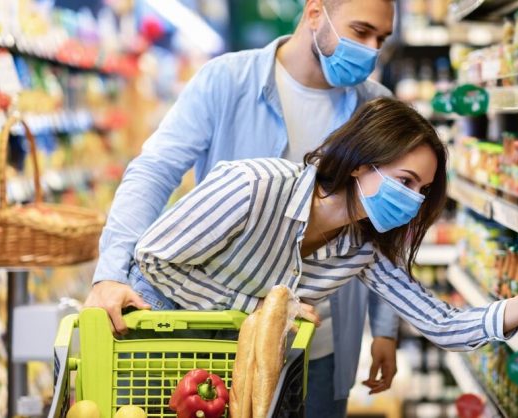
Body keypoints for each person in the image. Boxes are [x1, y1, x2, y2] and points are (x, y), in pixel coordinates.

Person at [85, 0, 401, 416]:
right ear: (314, 13)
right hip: (222, 333)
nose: (371, 50)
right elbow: (154, 171)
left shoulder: (375, 106)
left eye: (381, 39)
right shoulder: (227, 79)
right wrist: (109, 273)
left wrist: (385, 329)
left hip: (320, 338)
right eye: (361, 32)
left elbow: (387, 225)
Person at [130, 98, 518, 376]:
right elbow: (153, 258)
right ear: (360, 163)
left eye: (423, 191)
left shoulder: (360, 249)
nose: (413, 200)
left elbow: (441, 323)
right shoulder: (254, 185)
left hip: (232, 370)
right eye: (405, 181)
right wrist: (269, 310)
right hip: (155, 347)